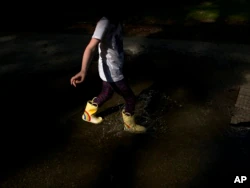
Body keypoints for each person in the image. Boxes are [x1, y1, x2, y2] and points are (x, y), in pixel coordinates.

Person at [70, 15, 146, 133]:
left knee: (107, 93)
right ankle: (129, 126)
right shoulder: (104, 22)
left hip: (113, 67)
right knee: (130, 98)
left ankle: (88, 114)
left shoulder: (117, 20)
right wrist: (83, 71)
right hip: (112, 71)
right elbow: (90, 47)